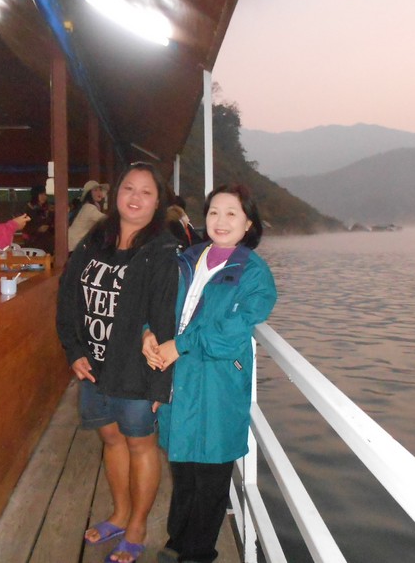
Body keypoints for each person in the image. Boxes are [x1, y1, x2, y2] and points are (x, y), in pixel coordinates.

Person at [144, 184, 277, 563]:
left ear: (248, 223)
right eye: (214, 211)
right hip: (177, 380)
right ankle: (178, 540)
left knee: (211, 475)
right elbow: (157, 305)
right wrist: (148, 334)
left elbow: (231, 335)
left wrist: (180, 345)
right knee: (183, 467)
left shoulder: (254, 273)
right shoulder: (187, 258)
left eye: (232, 213)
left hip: (218, 384)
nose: (221, 220)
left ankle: (198, 553)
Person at [56, 163, 179, 563]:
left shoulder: (162, 250)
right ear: (115, 194)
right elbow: (68, 295)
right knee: (111, 439)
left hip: (136, 370)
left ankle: (138, 525)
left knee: (141, 445)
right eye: (129, 188)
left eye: (146, 191)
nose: (135, 197)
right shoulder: (96, 238)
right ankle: (121, 514)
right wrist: (74, 350)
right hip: (93, 366)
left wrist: (160, 382)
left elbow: (164, 319)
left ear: (158, 202)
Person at [67, 180, 108, 252]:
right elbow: (105, 219)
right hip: (75, 246)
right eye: (95, 190)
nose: (99, 192)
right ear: (89, 193)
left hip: (75, 244)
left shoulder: (87, 205)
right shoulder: (89, 207)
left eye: (100, 190)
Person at [23, 185, 54, 253]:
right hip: (33, 244)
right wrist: (37, 229)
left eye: (45, 195)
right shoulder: (27, 208)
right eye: (41, 194)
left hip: (48, 243)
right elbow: (24, 227)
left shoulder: (48, 208)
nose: (44, 197)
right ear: (35, 195)